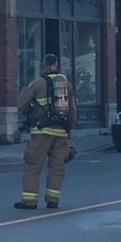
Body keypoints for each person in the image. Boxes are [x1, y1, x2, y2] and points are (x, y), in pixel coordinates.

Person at [15, 53, 77, 210]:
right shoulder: (66, 85)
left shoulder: (37, 84)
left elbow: (22, 105)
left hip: (41, 132)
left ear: (44, 65)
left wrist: (30, 114)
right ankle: (53, 200)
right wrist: (69, 130)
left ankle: (29, 200)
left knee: (33, 165)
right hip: (61, 132)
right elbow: (72, 110)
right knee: (57, 167)